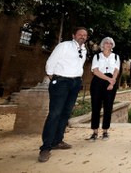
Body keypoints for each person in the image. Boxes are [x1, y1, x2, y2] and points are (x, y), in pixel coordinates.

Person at [38, 27, 88, 162]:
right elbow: (50, 63)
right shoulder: (64, 46)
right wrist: (54, 78)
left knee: (66, 113)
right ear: (74, 35)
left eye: (85, 35)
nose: (82, 37)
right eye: (80, 34)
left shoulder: (84, 50)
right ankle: (45, 148)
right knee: (55, 114)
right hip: (61, 82)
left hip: (75, 83)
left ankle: (57, 141)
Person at [88, 37, 120, 141]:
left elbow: (116, 70)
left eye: (111, 43)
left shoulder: (116, 57)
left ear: (112, 45)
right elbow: (95, 71)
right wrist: (109, 79)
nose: (108, 44)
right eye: (106, 43)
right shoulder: (97, 56)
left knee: (108, 107)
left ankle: (105, 131)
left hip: (111, 81)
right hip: (98, 81)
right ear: (103, 44)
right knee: (96, 107)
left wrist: (112, 81)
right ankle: (95, 132)